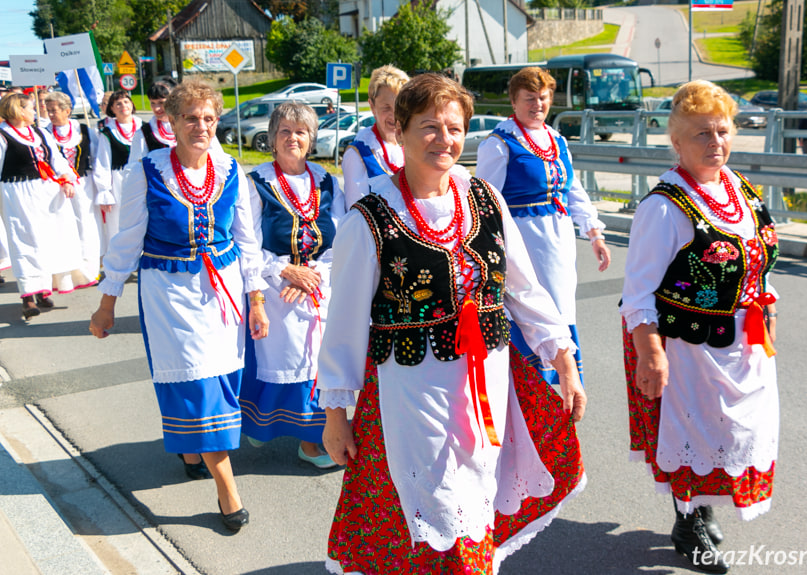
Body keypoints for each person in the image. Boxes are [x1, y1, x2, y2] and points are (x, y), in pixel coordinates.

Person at [319, 73, 587, 573]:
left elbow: (524, 291)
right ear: (399, 130)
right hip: (412, 390)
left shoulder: (485, 199)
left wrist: (563, 360)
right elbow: (344, 326)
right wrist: (337, 412)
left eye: (454, 127)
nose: (445, 139)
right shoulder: (370, 219)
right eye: (429, 127)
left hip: (489, 383)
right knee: (438, 506)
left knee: (479, 495)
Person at [89, 80, 270, 532]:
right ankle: (227, 488)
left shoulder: (231, 169)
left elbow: (248, 242)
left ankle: (193, 448)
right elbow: (127, 241)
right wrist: (106, 304)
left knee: (223, 377)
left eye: (209, 118)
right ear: (171, 121)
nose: (201, 126)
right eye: (191, 117)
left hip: (223, 292)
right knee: (198, 382)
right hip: (169, 294)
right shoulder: (147, 170)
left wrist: (258, 299)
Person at [620, 80, 780, 574]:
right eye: (701, 135)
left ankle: (702, 507)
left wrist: (769, 307)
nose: (715, 143)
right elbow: (638, 294)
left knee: (734, 434)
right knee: (695, 434)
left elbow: (759, 263)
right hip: (688, 347)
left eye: (722, 131)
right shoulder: (664, 207)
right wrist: (651, 353)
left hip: (745, 340)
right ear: (676, 142)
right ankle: (688, 523)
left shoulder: (739, 188)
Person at [476, 66, 610, 386]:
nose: (538, 104)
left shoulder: (557, 139)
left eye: (544, 97)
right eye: (529, 99)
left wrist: (594, 233)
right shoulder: (499, 144)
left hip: (559, 242)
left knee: (562, 307)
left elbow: (572, 190)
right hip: (523, 240)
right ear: (514, 101)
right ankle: (534, 388)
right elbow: (485, 203)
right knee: (535, 308)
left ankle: (562, 385)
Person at [240, 102, 345, 468]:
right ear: (271, 138)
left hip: (319, 283)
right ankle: (273, 428)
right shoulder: (255, 183)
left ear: (311, 138)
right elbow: (247, 243)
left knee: (319, 362)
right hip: (275, 287)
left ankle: (309, 441)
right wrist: (285, 271)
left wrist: (313, 274)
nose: (293, 138)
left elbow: (342, 238)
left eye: (301, 132)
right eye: (284, 131)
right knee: (283, 357)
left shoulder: (327, 181)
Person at [0, 93, 92, 318]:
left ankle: (44, 288)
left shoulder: (40, 132)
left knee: (49, 241)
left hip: (47, 192)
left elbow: (57, 159)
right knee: (25, 241)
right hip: (17, 192)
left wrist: (68, 178)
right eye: (31, 108)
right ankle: (28, 296)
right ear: (19, 110)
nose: (35, 111)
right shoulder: (3, 135)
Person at [43, 91, 103, 281]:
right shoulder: (43, 132)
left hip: (84, 183)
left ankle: (90, 270)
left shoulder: (83, 130)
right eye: (49, 110)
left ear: (67, 110)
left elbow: (95, 155)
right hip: (57, 185)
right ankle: (66, 272)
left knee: (87, 225)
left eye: (55, 110)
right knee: (63, 225)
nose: (51, 114)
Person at [341, 65, 409, 207]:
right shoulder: (358, 154)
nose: (394, 115)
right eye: (386, 107)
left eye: (399, 107)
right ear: (372, 106)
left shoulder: (410, 145)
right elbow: (356, 214)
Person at [93, 90, 142, 253]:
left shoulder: (144, 127)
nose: (123, 106)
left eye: (126, 102)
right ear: (112, 109)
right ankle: (120, 259)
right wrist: (104, 190)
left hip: (142, 179)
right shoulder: (107, 132)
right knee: (119, 222)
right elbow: (103, 162)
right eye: (118, 104)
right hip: (118, 180)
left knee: (142, 218)